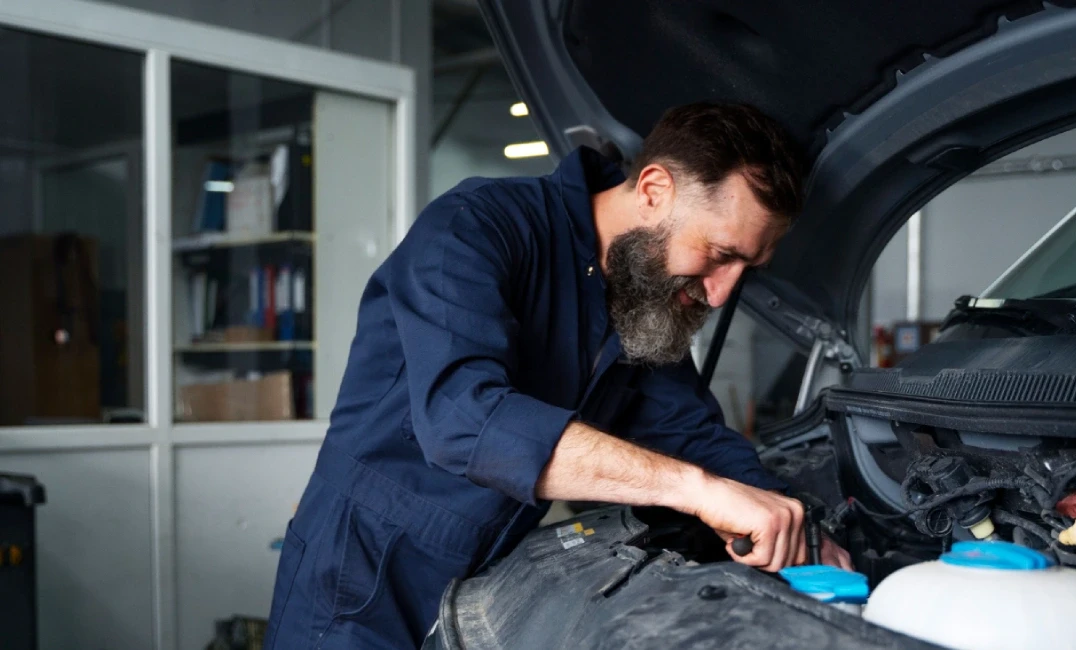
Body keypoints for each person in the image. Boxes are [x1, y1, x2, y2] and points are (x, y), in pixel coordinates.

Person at [264, 102, 851, 649]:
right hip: (361, 571)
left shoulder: (643, 297)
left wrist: (792, 523)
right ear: (654, 190)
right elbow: (464, 421)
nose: (723, 293)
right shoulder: (478, 227)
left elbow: (692, 433)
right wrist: (697, 491)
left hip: (492, 573)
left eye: (749, 266)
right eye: (721, 254)